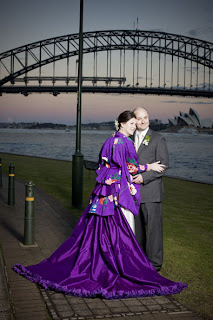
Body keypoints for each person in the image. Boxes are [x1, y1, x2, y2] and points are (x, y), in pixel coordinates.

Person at [13, 111, 186, 299]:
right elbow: (131, 168)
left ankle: (103, 262)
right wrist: (149, 166)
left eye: (136, 125)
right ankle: (120, 266)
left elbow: (102, 165)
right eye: (131, 124)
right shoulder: (126, 143)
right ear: (121, 123)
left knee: (99, 229)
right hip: (118, 194)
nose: (134, 127)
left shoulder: (109, 141)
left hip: (104, 193)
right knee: (121, 230)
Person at [132, 107, 169, 272]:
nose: (143, 120)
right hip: (134, 194)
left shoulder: (158, 138)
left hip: (151, 192)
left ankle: (154, 264)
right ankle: (140, 260)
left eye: (145, 117)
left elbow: (163, 166)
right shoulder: (129, 137)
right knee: (137, 230)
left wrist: (144, 177)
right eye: (139, 118)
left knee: (153, 231)